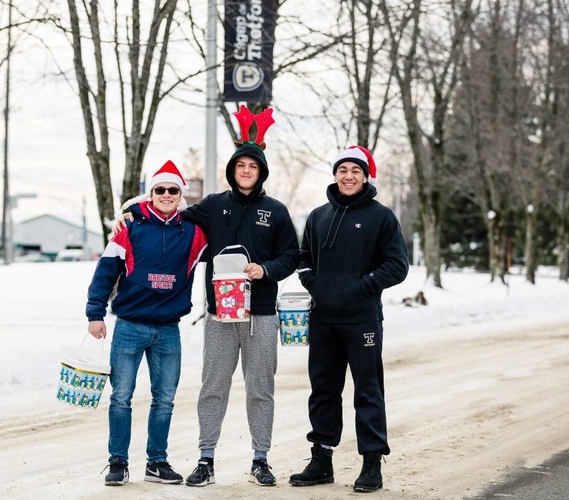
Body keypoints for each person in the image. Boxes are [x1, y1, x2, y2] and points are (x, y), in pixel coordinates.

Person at [115, 106, 299, 486]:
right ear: (232, 170)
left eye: (253, 166)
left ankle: (260, 459)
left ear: (261, 171)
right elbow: (169, 209)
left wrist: (266, 269)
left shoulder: (276, 211)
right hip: (220, 315)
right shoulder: (215, 205)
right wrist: (131, 211)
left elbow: (291, 257)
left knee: (260, 389)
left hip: (260, 315)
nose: (246, 171)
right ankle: (206, 459)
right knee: (212, 386)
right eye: (240, 165)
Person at [288, 146, 409, 493]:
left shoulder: (381, 217)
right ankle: (321, 460)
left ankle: (371, 463)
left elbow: (397, 265)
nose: (348, 175)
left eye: (356, 170)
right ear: (335, 174)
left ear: (366, 175)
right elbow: (304, 257)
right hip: (323, 318)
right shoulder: (317, 216)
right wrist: (313, 281)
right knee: (323, 389)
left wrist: (364, 285)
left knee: (368, 390)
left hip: (362, 319)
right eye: (343, 169)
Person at [86, 160, 207, 487]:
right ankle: (117, 462)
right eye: (160, 190)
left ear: (180, 196)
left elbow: (228, 234)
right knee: (121, 397)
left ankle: (157, 462)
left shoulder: (195, 233)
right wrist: (94, 313)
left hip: (169, 329)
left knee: (165, 399)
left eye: (172, 190)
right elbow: (105, 272)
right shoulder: (130, 229)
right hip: (129, 326)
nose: (166, 195)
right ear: (150, 194)